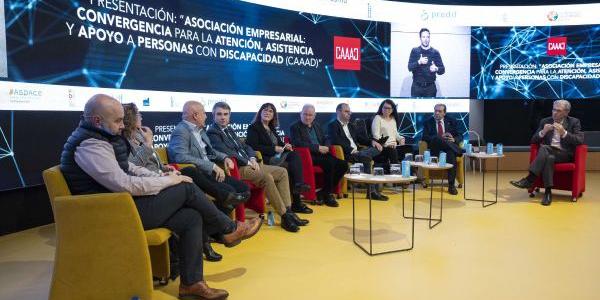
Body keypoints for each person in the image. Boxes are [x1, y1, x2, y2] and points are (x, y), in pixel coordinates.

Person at [60, 94, 262, 299]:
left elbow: (130, 168)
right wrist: (168, 181)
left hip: (124, 207)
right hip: (113, 216)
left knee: (191, 217)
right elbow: (125, 184)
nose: (123, 125)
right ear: (97, 120)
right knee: (186, 187)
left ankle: (192, 284)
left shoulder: (101, 137)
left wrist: (161, 175)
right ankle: (228, 229)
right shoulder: (90, 145)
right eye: (118, 121)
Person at [121, 102, 243, 262]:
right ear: (130, 118)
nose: (141, 117)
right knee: (189, 180)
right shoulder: (124, 141)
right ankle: (226, 227)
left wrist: (165, 169)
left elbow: (154, 163)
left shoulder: (139, 135)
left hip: (163, 177)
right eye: (138, 115)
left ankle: (217, 230)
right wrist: (149, 146)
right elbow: (133, 167)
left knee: (195, 207)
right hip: (147, 190)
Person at [207, 102, 308, 233]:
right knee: (267, 177)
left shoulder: (229, 129)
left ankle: (289, 211)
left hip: (251, 163)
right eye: (219, 114)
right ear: (213, 115)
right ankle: (284, 216)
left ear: (229, 115)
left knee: (282, 172)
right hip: (238, 168)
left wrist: (253, 158)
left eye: (225, 114)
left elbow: (246, 146)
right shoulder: (212, 132)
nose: (223, 117)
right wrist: (248, 162)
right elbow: (227, 152)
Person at [168, 101, 251, 213]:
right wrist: (211, 166)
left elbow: (211, 151)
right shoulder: (181, 131)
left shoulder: (200, 130)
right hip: (198, 173)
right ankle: (218, 221)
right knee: (230, 192)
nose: (206, 116)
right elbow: (180, 157)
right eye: (204, 113)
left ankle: (217, 219)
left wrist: (225, 157)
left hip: (210, 171)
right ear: (195, 115)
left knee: (243, 188)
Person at [510, 100, 584, 206]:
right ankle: (548, 193)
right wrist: (543, 132)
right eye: (553, 109)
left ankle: (529, 179)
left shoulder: (574, 122)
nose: (554, 113)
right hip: (549, 154)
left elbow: (579, 140)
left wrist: (564, 133)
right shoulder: (545, 121)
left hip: (564, 154)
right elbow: (533, 140)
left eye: (558, 110)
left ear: (566, 112)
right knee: (549, 157)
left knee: (544, 149)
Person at [246, 103, 313, 214]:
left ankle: (296, 199)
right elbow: (253, 146)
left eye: (271, 111)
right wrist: (274, 149)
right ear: (260, 112)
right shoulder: (254, 127)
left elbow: (280, 144)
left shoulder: (271, 128)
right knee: (291, 165)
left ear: (274, 115)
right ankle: (296, 201)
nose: (267, 113)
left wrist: (286, 146)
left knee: (293, 157)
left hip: (276, 157)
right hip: (265, 158)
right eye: (265, 110)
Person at [290, 104, 348, 207]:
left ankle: (324, 191)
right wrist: (317, 147)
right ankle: (328, 195)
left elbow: (326, 138)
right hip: (308, 156)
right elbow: (297, 143)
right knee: (329, 163)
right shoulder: (295, 127)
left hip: (322, 153)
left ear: (314, 115)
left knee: (343, 164)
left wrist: (326, 146)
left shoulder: (317, 125)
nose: (307, 117)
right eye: (305, 114)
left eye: (310, 115)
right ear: (300, 114)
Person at [328, 103, 387, 200]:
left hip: (359, 152)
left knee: (378, 148)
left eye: (349, 111)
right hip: (347, 154)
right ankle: (371, 192)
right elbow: (335, 141)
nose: (349, 113)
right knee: (366, 157)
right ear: (338, 112)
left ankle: (364, 154)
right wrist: (351, 150)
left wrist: (373, 142)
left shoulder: (351, 126)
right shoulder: (332, 125)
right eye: (346, 111)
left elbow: (361, 139)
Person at [421, 103, 463, 195]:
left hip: (448, 149)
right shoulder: (428, 122)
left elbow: (460, 135)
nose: (436, 113)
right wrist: (439, 138)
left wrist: (454, 139)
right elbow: (424, 137)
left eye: (439, 111)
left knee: (451, 154)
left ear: (444, 113)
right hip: (435, 149)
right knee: (438, 138)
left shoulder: (452, 121)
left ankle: (451, 186)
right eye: (435, 111)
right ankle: (459, 150)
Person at [407, 28, 445, 97]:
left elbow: (442, 70)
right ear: (420, 38)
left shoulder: (435, 52)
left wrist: (436, 68)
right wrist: (419, 62)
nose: (426, 39)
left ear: (429, 38)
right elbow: (409, 67)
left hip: (430, 88)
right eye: (423, 37)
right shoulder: (415, 51)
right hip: (416, 87)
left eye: (427, 37)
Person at [371, 99, 406, 173]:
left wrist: (401, 139)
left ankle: (408, 173)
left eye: (389, 108)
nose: (386, 110)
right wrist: (387, 145)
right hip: (382, 147)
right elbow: (376, 136)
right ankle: (395, 175)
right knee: (392, 151)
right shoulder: (378, 118)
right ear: (381, 108)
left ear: (392, 109)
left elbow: (395, 133)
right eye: (385, 108)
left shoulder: (393, 119)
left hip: (394, 145)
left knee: (408, 148)